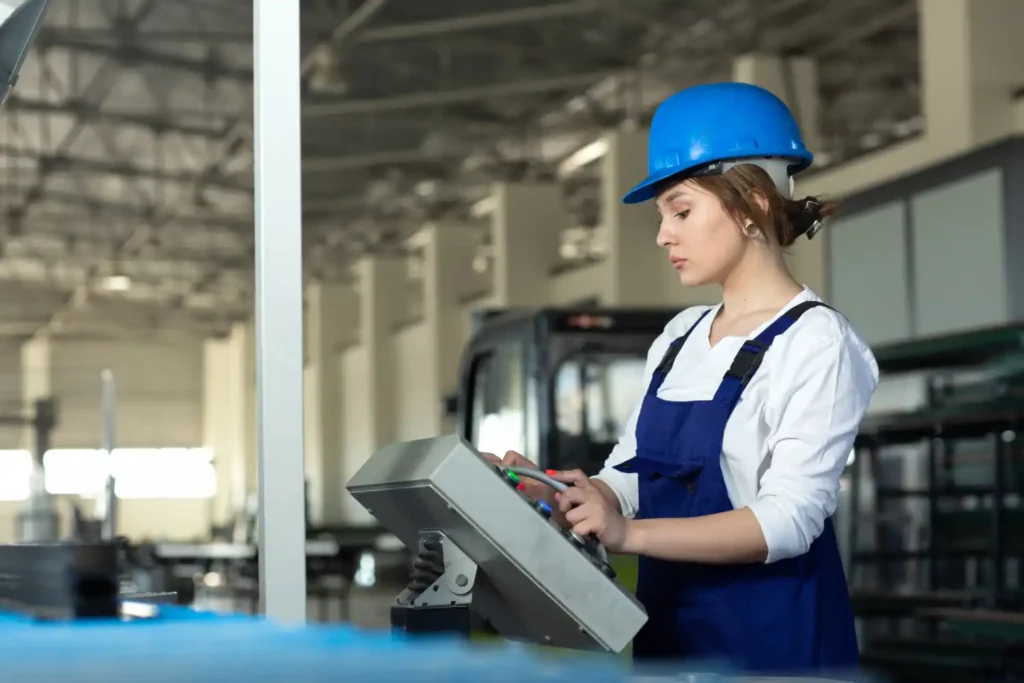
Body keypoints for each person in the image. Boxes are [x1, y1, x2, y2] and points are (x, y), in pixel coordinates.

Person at [491, 82, 879, 675]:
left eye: (681, 209)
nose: (663, 234)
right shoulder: (680, 337)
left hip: (776, 652)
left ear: (750, 202)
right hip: (673, 645)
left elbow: (790, 519)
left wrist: (630, 536)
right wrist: (568, 495)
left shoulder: (817, 341)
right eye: (662, 215)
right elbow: (631, 475)